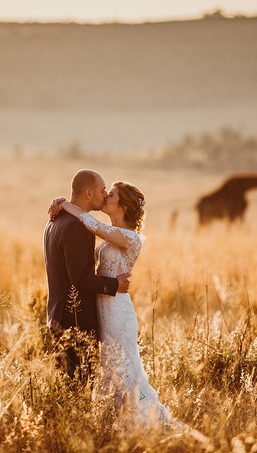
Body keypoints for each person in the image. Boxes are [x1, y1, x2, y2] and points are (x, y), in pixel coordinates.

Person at [48, 179, 175, 429]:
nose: (106, 197)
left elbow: (91, 223)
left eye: (112, 195)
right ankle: (112, 422)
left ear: (124, 206)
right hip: (101, 308)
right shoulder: (112, 235)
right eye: (106, 193)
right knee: (108, 366)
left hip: (117, 310)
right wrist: (61, 204)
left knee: (123, 366)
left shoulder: (131, 238)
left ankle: (142, 423)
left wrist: (64, 204)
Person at [44, 169, 130, 379]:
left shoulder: (54, 221)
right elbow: (80, 278)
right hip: (75, 320)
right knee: (80, 384)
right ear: (89, 194)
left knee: (70, 388)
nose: (105, 195)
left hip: (57, 315)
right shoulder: (76, 226)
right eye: (102, 190)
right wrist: (114, 285)